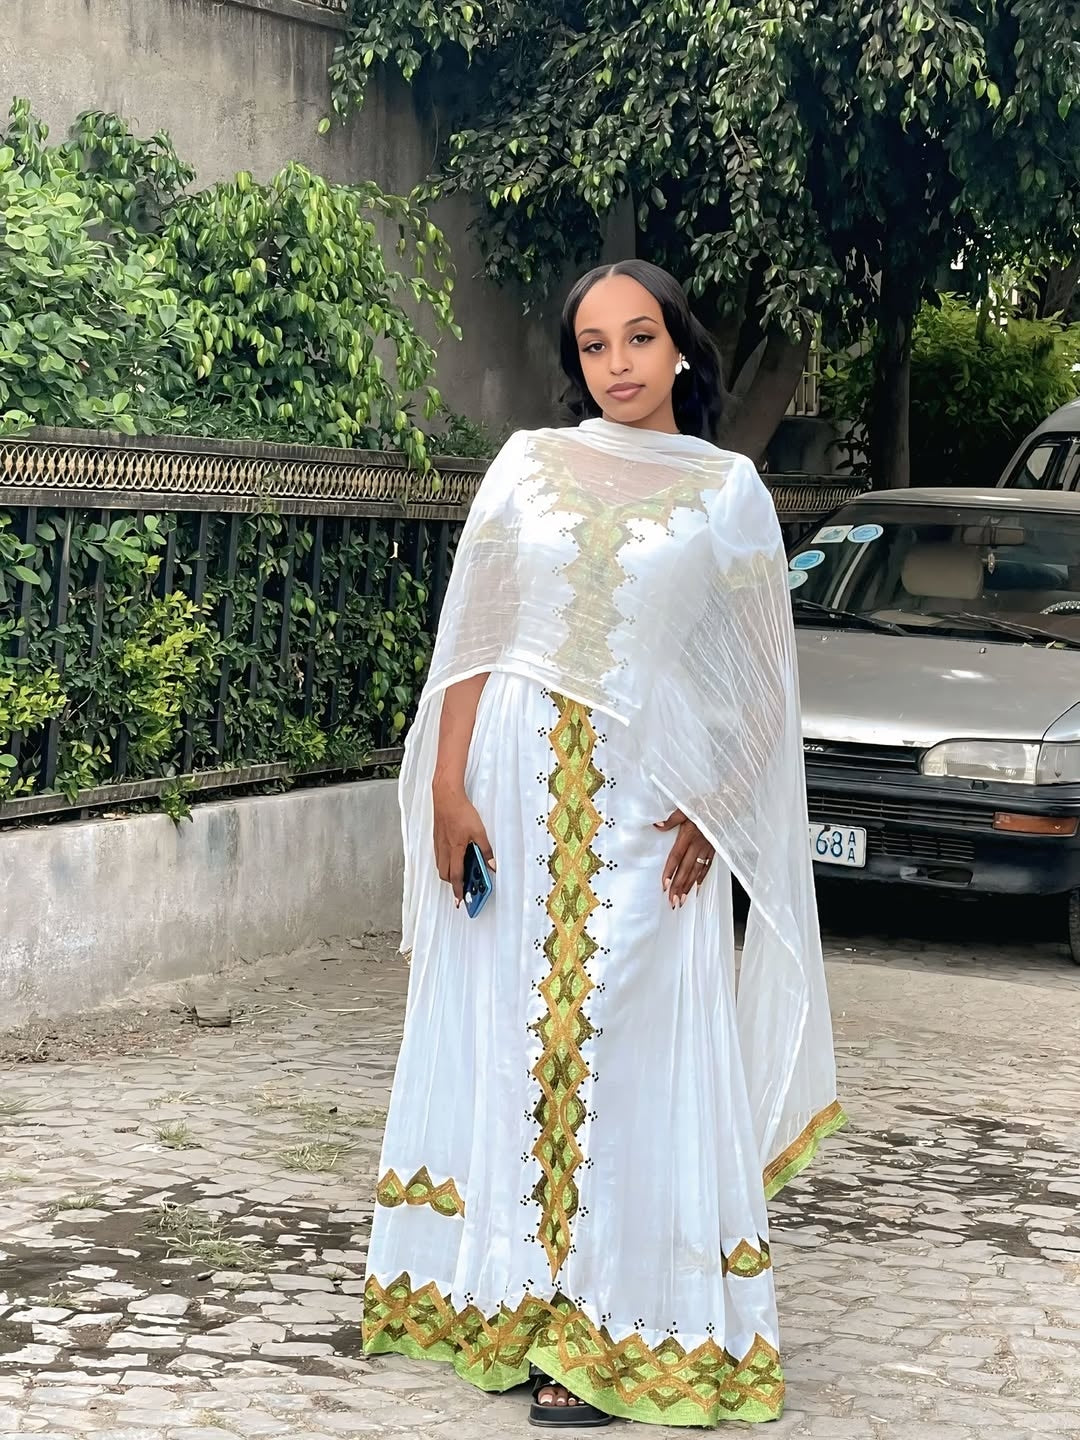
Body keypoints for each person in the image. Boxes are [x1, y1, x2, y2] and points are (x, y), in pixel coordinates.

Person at [362, 259, 844, 1428]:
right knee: (517, 1033)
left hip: (649, 800)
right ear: (574, 361)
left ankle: (617, 1332)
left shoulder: (728, 492)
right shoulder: (527, 466)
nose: (617, 364)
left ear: (681, 347)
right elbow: (473, 637)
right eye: (593, 345)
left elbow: (760, 676)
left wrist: (722, 800)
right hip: (509, 787)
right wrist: (444, 784)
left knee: (623, 1045)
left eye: (638, 338)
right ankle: (520, 1308)